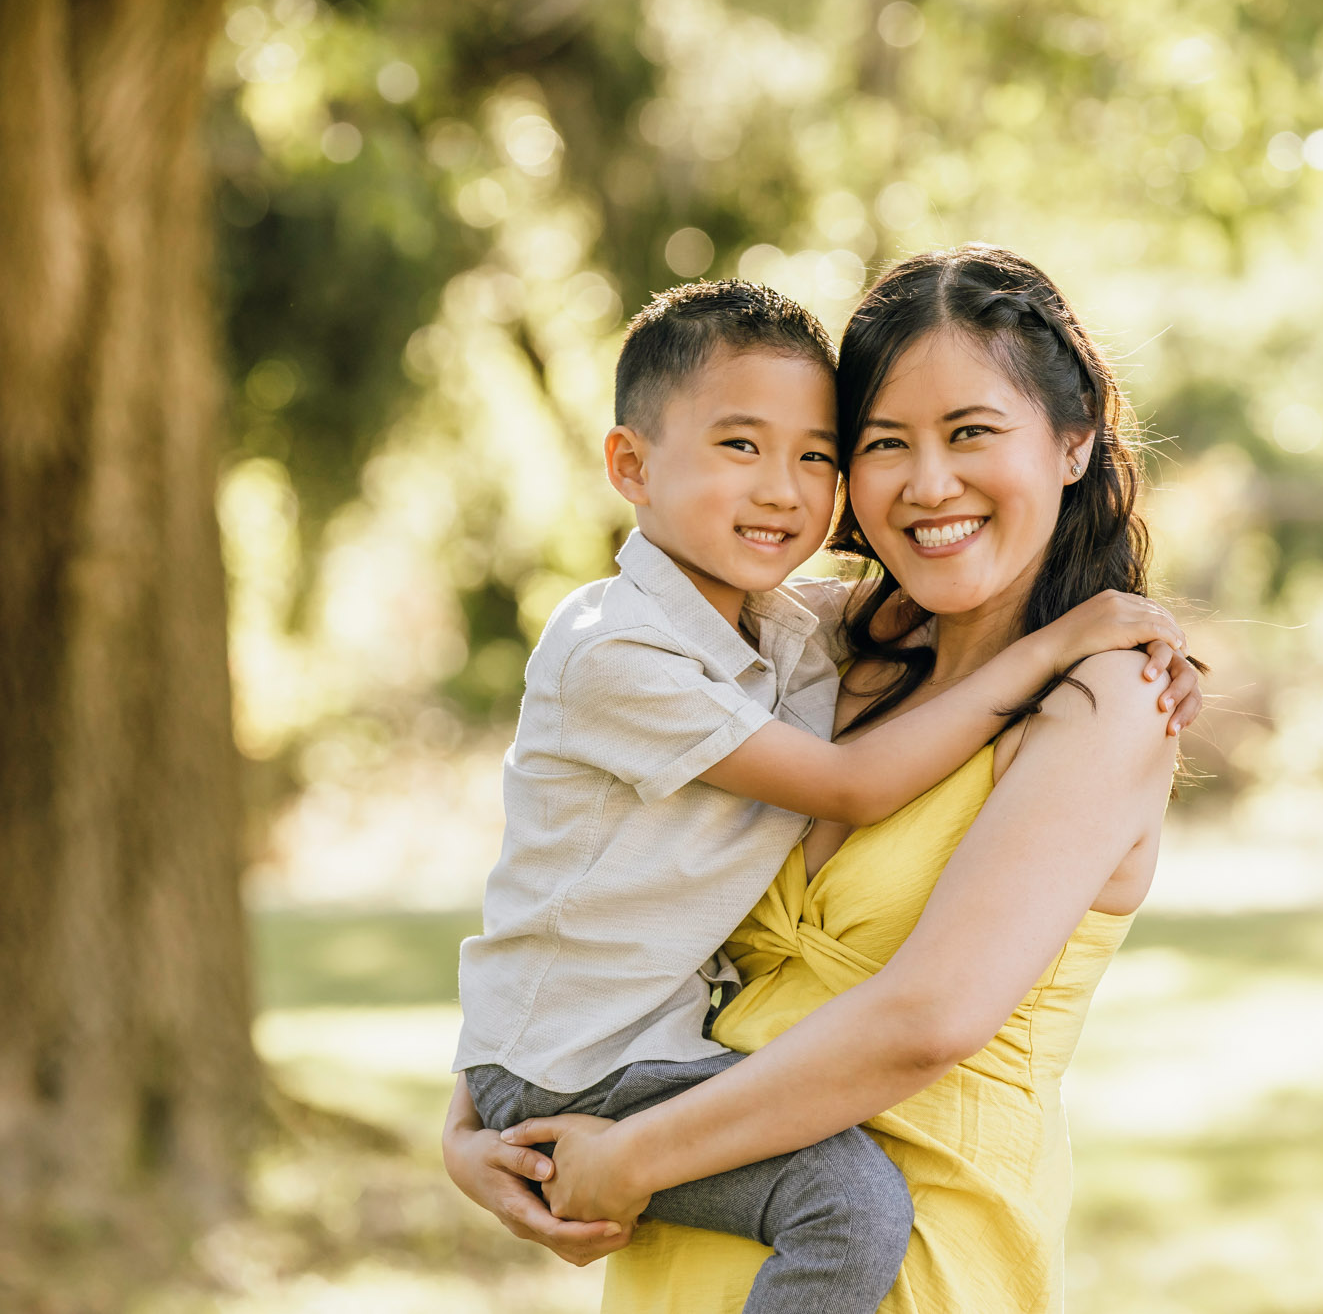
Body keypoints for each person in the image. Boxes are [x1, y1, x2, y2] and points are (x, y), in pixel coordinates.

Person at [446, 244, 1194, 1312]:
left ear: (1072, 442)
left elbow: (925, 1018)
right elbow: (596, 885)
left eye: (971, 431)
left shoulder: (1106, 704)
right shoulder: (816, 652)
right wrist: (474, 1125)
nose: (928, 482)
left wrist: (631, 1156)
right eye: (884, 443)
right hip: (691, 1225)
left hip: (904, 1246)